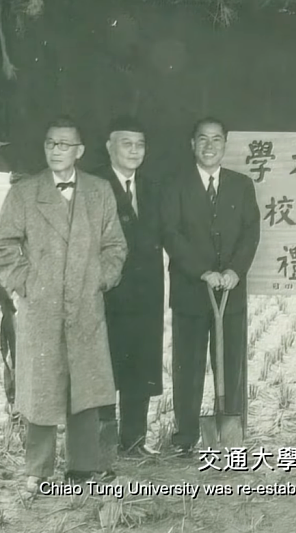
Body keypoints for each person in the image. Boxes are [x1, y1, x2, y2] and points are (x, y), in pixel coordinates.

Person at [0, 116, 127, 492]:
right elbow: (4, 246)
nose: (56, 151)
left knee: (85, 384)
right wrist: (27, 283)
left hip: (86, 304)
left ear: (80, 151)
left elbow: (116, 246)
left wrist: (99, 280)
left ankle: (83, 467)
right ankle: (38, 470)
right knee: (40, 389)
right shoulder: (24, 193)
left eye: (64, 145)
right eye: (51, 143)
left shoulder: (100, 191)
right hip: (41, 307)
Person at [161, 117, 260, 456]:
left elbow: (251, 232)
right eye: (202, 139)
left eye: (216, 139)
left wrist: (235, 271)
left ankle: (229, 435)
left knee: (229, 365)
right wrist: (202, 271)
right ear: (192, 144)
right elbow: (170, 234)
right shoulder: (175, 185)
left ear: (225, 144)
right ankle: (186, 436)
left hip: (231, 293)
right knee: (187, 367)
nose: (209, 145)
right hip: (191, 291)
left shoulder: (242, 185)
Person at [95, 117, 164, 472]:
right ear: (109, 146)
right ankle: (102, 445)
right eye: (126, 143)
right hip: (108, 294)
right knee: (105, 365)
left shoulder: (152, 186)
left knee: (140, 364)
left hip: (147, 294)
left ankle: (134, 442)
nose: (134, 151)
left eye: (139, 144)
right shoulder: (93, 185)